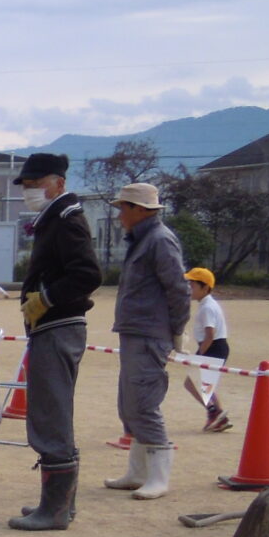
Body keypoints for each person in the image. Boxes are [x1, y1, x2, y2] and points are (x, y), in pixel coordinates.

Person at [8, 153, 102, 531]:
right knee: (52, 411)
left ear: (59, 183)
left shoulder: (66, 221)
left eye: (36, 183)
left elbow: (88, 274)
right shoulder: (55, 218)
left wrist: (45, 298)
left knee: (51, 414)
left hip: (58, 325)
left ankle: (57, 509)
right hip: (54, 326)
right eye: (27, 186)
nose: (30, 191)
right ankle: (61, 503)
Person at [103, 183, 191, 500]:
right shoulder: (143, 240)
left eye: (124, 208)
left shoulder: (160, 240)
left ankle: (158, 476)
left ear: (141, 210)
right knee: (129, 404)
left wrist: (176, 330)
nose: (120, 215)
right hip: (135, 331)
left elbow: (178, 289)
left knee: (144, 402)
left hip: (150, 333)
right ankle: (138, 472)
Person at [184, 266, 231, 432]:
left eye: (193, 286)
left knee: (191, 383)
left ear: (205, 287)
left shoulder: (207, 308)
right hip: (215, 346)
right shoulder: (207, 304)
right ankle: (220, 417)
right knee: (205, 384)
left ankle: (214, 412)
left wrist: (199, 355)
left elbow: (209, 334)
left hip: (213, 347)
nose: (190, 289)